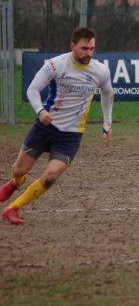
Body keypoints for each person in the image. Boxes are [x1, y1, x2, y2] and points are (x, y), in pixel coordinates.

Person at [0, 27, 114, 225]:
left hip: (71, 135)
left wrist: (107, 123)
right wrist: (40, 111)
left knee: (51, 176)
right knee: (19, 170)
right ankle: (15, 183)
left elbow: (108, 93)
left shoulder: (101, 70)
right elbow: (33, 89)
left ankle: (13, 208)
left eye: (92, 49)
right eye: (84, 48)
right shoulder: (55, 65)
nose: (89, 53)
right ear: (72, 46)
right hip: (44, 127)